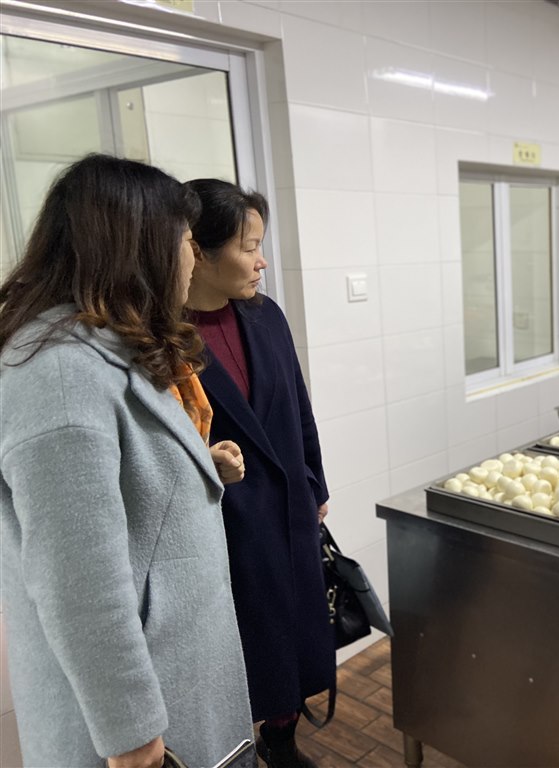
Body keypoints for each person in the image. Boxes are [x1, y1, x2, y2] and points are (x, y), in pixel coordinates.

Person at [0, 154, 254, 768]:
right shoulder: (61, 375)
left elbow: (118, 488)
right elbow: (77, 582)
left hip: (173, 669)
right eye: (187, 242)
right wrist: (133, 737)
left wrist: (194, 469)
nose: (192, 258)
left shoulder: (101, 346)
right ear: (141, 246)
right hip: (138, 724)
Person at [183, 179, 335, 768]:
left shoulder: (265, 315)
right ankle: (236, 746)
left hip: (288, 505)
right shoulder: (163, 335)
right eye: (249, 247)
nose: (261, 260)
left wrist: (315, 483)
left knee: (293, 635)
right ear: (198, 252)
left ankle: (281, 739)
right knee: (244, 646)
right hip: (226, 521)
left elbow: (298, 405)